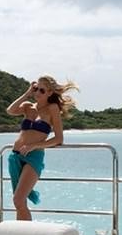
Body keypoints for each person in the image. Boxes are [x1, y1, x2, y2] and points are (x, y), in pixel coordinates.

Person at [6, 76, 77, 220]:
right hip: (15, 156)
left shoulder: (52, 108)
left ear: (50, 92)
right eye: (36, 88)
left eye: (42, 90)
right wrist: (27, 93)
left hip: (34, 157)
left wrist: (33, 146)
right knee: (19, 202)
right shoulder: (28, 106)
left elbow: (58, 139)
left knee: (18, 200)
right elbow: (10, 110)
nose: (37, 92)